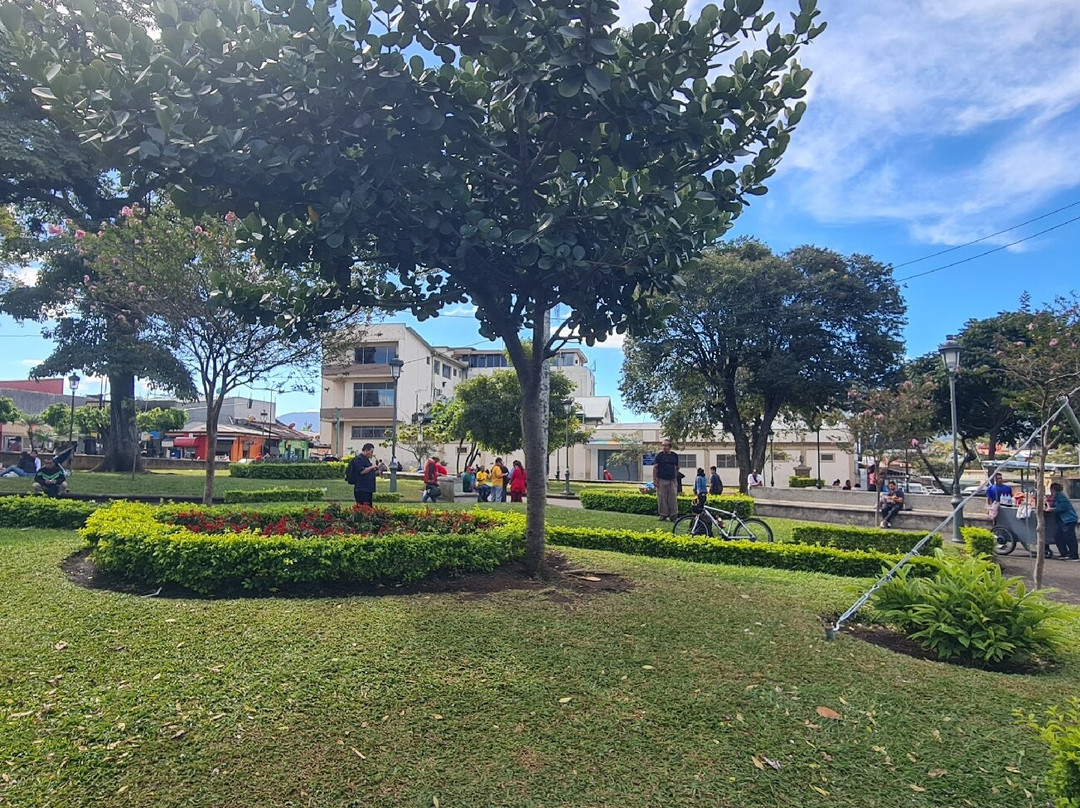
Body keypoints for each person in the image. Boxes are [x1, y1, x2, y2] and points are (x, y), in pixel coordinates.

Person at [1047, 482, 1079, 560]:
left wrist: (1052, 509)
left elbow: (1063, 507)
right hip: (1063, 520)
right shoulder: (1057, 496)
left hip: (1068, 519)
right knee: (1059, 536)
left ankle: (1074, 555)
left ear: (1052, 489)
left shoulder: (1060, 496)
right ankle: (1064, 553)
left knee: (1069, 537)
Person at [652, 439, 680, 521]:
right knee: (662, 498)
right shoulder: (659, 456)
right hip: (661, 479)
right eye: (663, 445)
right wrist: (655, 479)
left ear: (669, 447)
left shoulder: (674, 455)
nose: (664, 447)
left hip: (672, 480)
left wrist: (675, 476)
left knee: (673, 498)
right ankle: (663, 515)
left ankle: (673, 516)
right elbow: (655, 468)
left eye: (666, 445)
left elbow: (677, 467)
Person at [345, 443, 379, 507]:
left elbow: (368, 470)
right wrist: (372, 467)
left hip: (367, 489)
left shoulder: (366, 460)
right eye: (371, 452)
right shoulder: (359, 459)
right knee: (363, 508)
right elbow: (361, 471)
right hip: (361, 489)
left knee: (368, 508)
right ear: (366, 450)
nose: (372, 454)